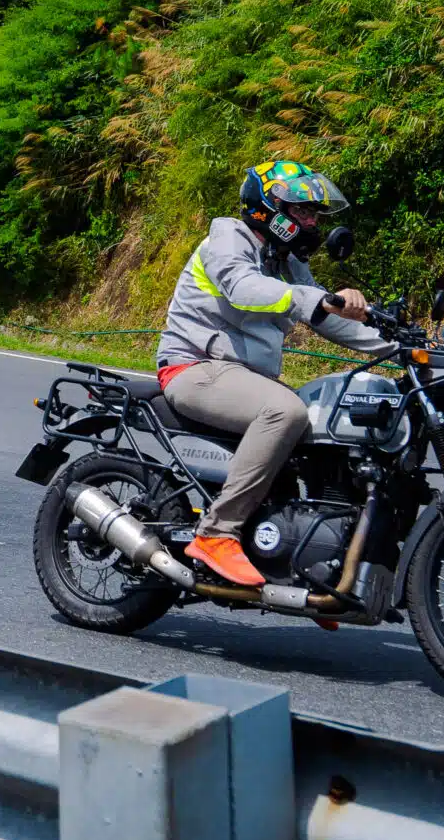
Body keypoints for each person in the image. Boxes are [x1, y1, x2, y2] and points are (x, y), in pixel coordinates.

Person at [155, 160, 394, 589]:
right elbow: (244, 288)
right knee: (286, 412)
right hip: (194, 367)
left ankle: (309, 562)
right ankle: (216, 534)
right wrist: (319, 299)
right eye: (302, 212)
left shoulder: (286, 262)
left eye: (315, 214)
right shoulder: (227, 238)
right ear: (269, 208)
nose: (312, 222)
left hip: (244, 378)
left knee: (326, 425)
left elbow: (326, 317)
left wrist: (403, 346)